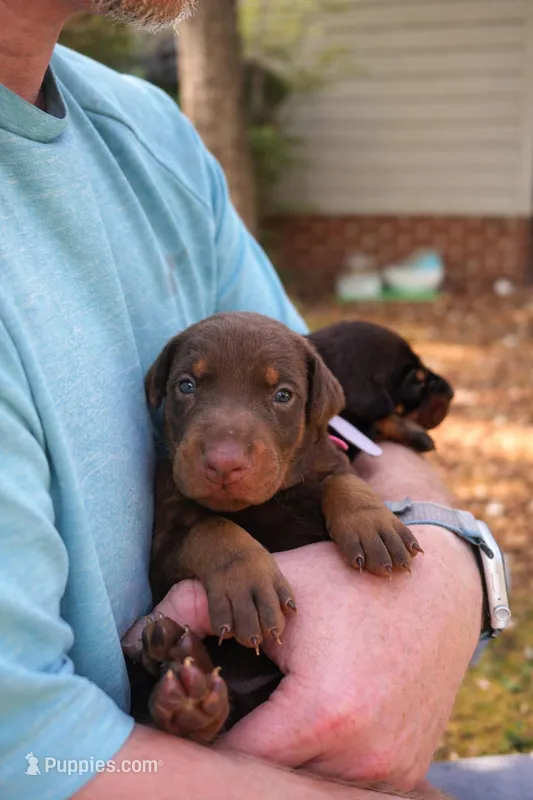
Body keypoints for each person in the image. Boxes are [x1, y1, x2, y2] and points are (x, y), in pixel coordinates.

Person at [0, 1, 483, 798]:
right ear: (161, 390)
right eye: (185, 388)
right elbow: (30, 756)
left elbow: (341, 435)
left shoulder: (151, 136)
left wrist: (449, 569)